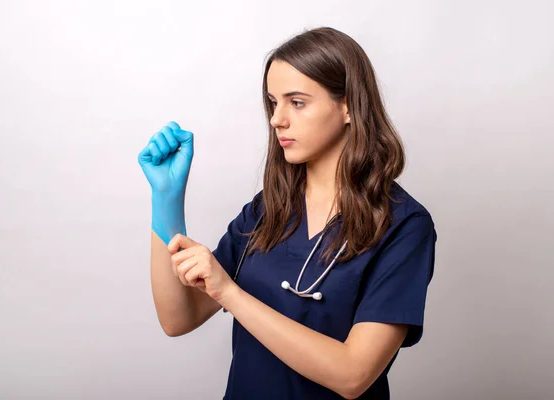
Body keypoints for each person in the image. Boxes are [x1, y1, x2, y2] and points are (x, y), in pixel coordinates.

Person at [138, 26, 437, 400]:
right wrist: (166, 202)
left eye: (296, 102)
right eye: (272, 102)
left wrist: (230, 293)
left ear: (348, 106)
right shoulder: (269, 208)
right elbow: (178, 319)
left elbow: (353, 375)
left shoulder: (404, 227)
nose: (277, 119)